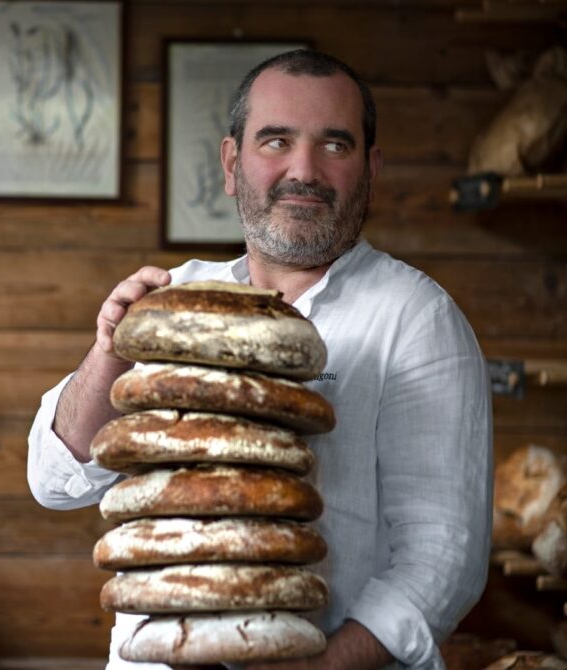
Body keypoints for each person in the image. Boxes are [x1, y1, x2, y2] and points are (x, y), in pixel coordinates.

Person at [28, 49, 493, 670]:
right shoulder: (174, 301)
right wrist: (109, 352)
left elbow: (443, 557)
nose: (305, 170)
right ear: (231, 163)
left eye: (335, 145)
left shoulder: (416, 318)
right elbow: (53, 482)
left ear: (371, 169)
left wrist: (320, 666)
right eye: (276, 141)